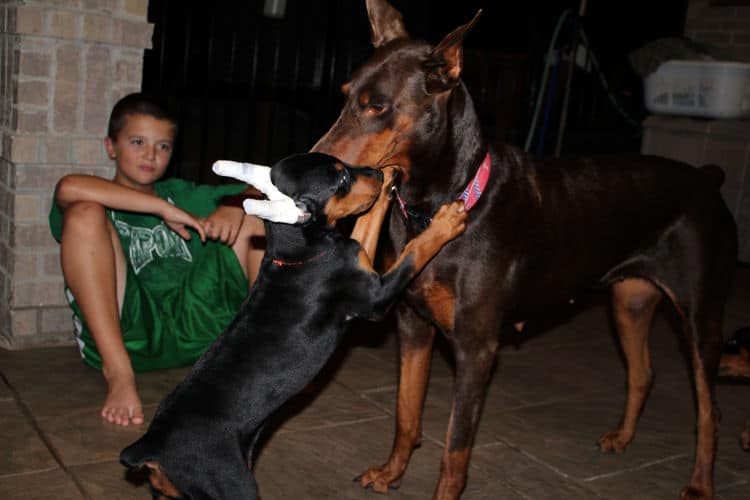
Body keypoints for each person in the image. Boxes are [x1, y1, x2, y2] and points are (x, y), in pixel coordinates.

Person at [48, 93, 265, 426]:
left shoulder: (184, 192)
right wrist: (161, 208)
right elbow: (68, 186)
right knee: (82, 215)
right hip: (129, 335)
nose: (150, 154)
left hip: (199, 331)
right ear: (111, 146)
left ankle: (263, 351)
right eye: (138, 142)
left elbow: (266, 188)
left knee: (255, 217)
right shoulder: (96, 193)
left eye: (162, 146)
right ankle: (118, 374)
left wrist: (235, 204)